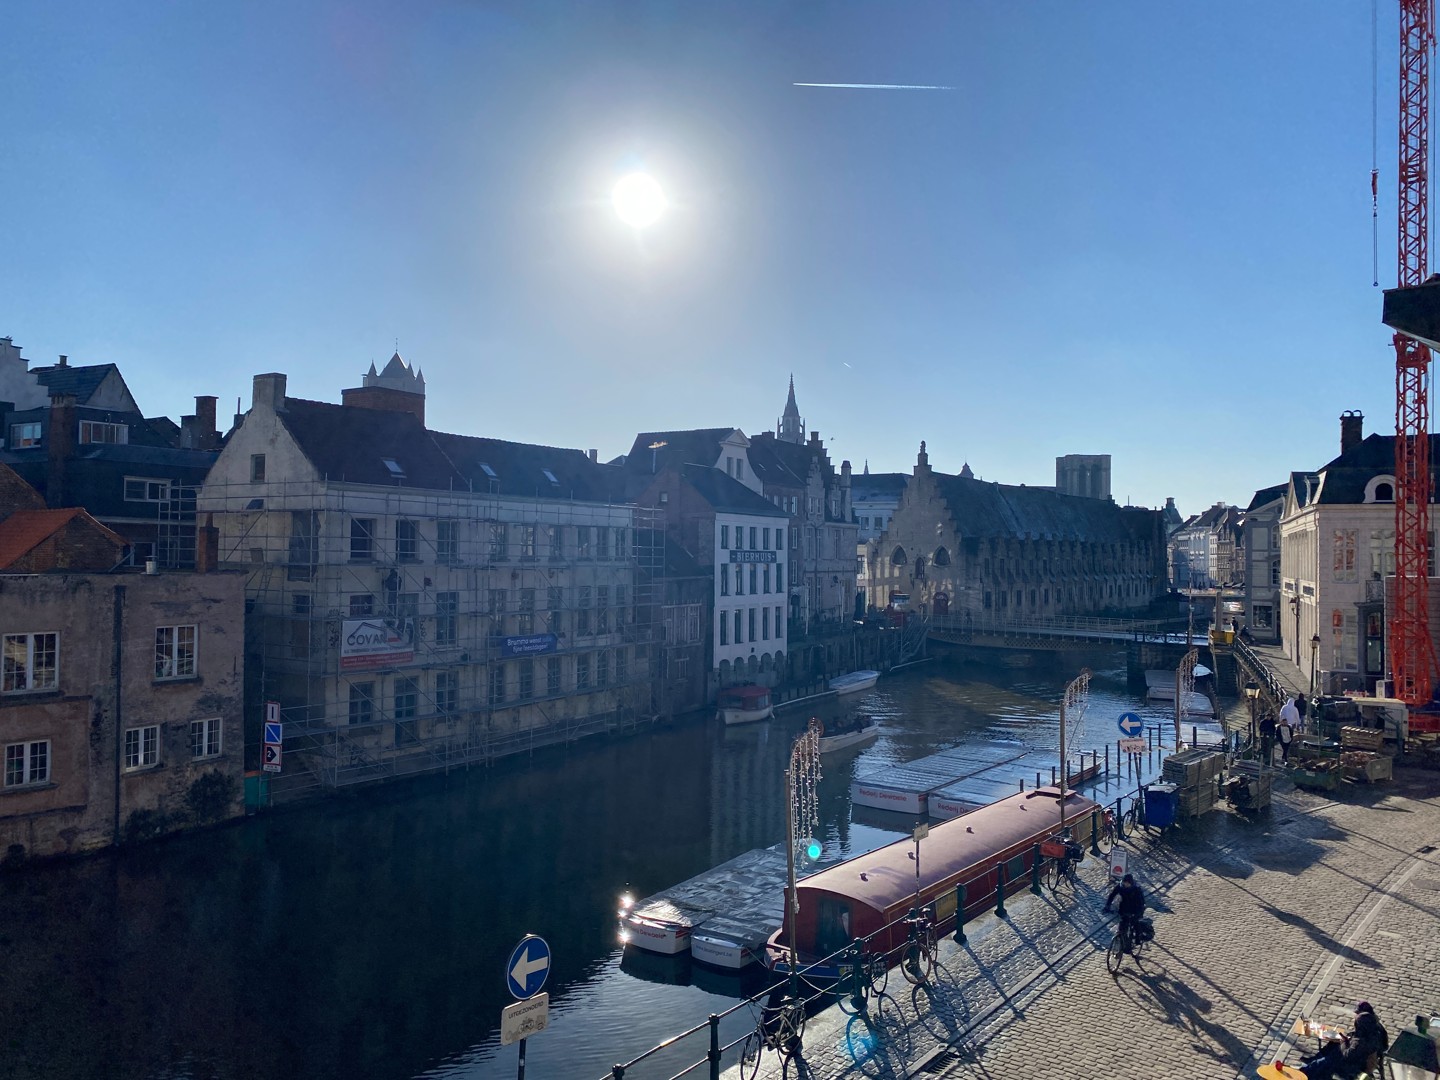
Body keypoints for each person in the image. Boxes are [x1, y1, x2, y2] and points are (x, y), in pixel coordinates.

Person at [1302, 1001, 1389, 1080]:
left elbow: (1347, 1055)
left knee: (1325, 1062)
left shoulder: (1361, 1040)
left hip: (1354, 1065)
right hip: (1361, 1057)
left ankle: (1304, 1073)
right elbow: (1384, 1045)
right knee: (1332, 1046)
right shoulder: (1374, 1028)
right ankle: (1316, 1060)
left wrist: (1343, 1041)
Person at [1104, 873, 1146, 950]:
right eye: (1124, 883)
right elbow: (1112, 895)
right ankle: (1123, 943)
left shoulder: (1136, 889)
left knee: (1135, 923)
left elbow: (1141, 902)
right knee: (1122, 927)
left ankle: (1138, 939)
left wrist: (1138, 912)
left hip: (1135, 909)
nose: (1125, 884)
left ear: (1131, 883)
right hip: (1124, 908)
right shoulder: (1120, 887)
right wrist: (1107, 905)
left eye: (1127, 883)